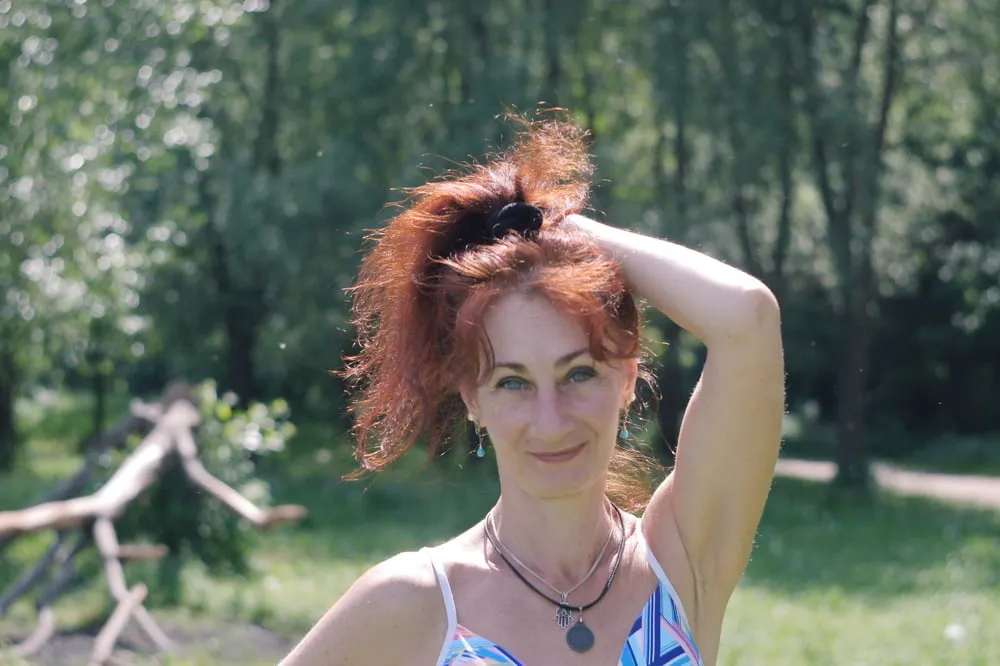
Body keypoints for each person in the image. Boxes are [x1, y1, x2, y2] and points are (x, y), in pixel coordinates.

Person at [279, 113, 784, 666]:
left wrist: (556, 227)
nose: (551, 419)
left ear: (627, 376)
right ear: (473, 398)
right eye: (513, 382)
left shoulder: (683, 560)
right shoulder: (417, 602)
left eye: (579, 373)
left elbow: (748, 317)